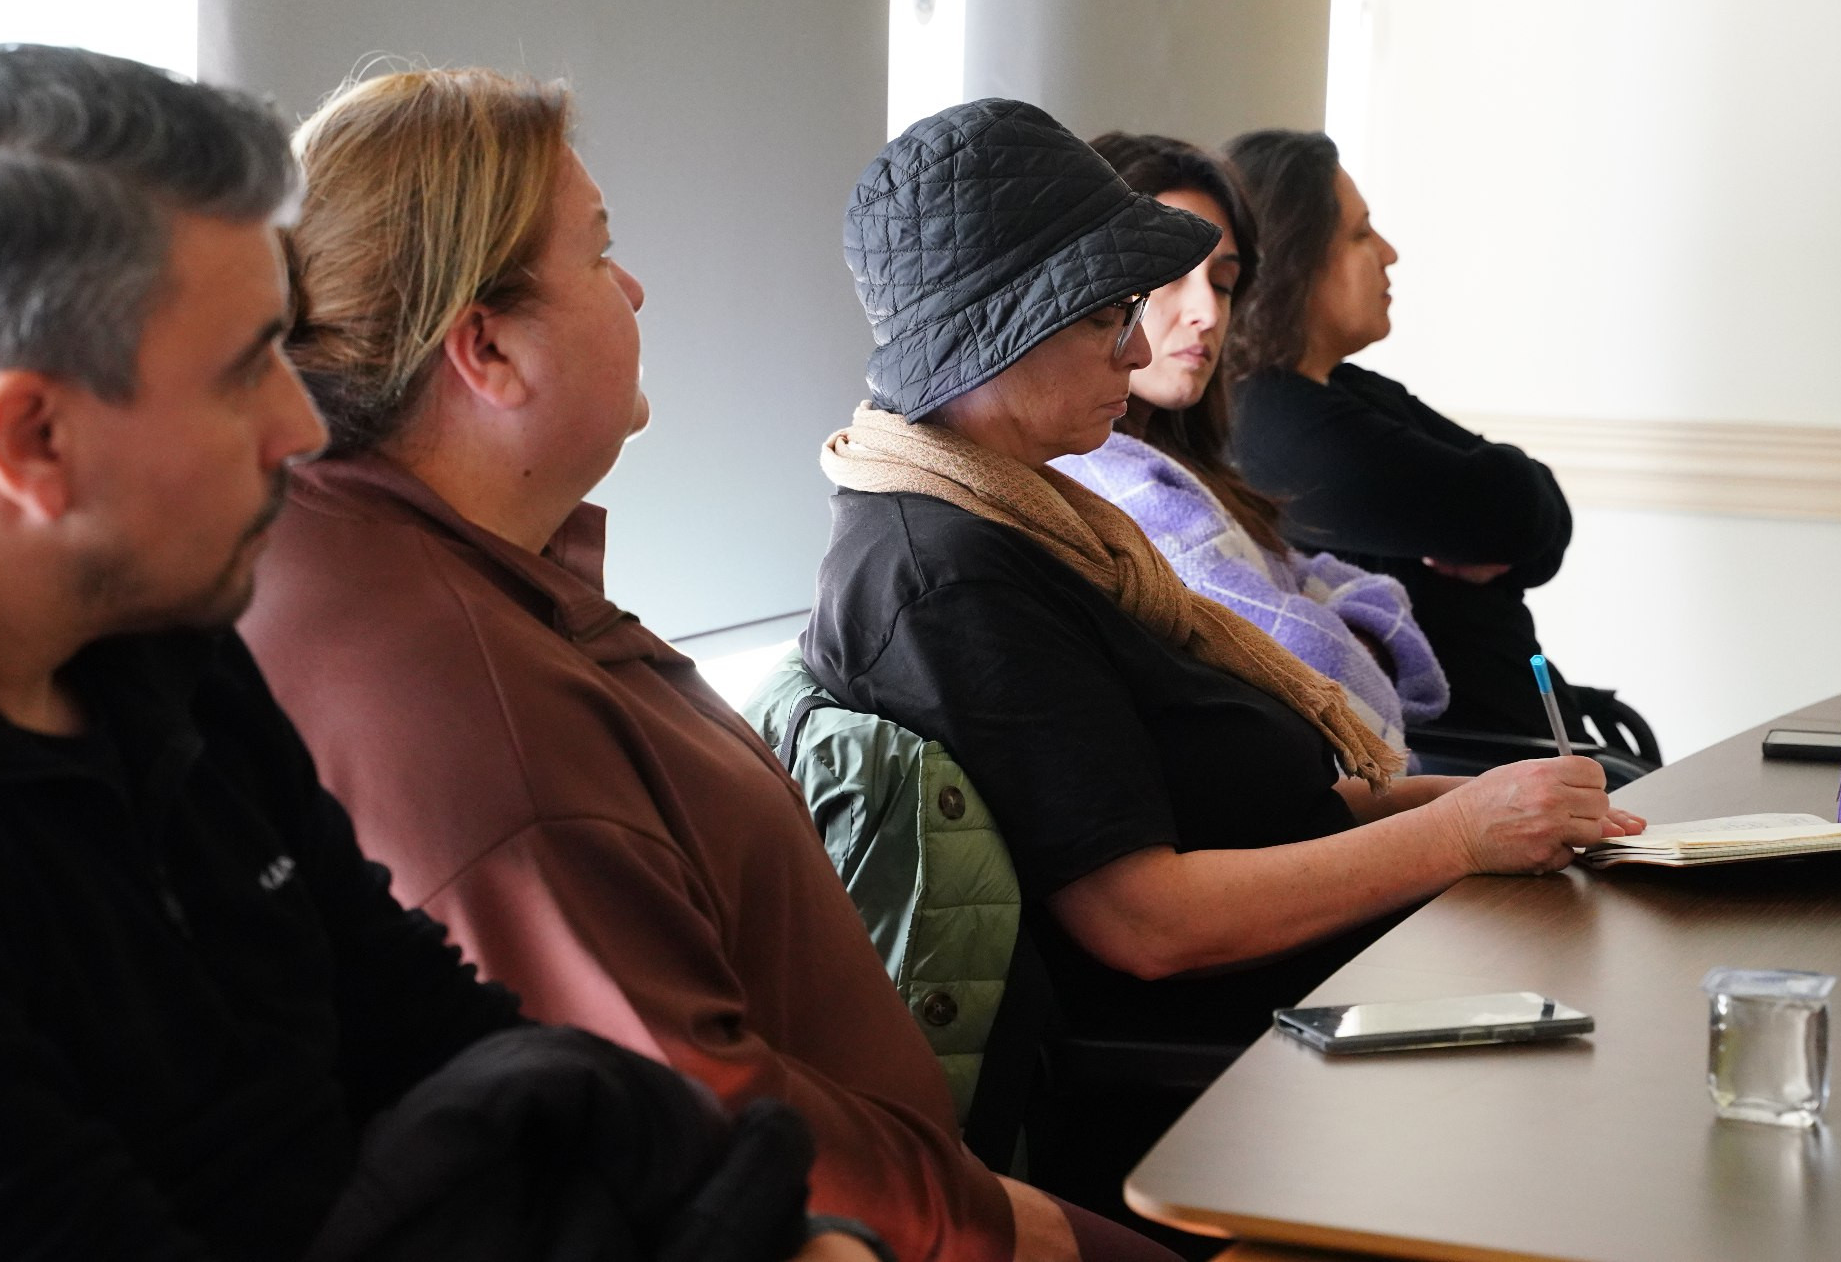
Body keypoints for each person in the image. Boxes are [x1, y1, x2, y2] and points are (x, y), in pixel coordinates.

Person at [0, 44, 860, 1262]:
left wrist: (776, 1230)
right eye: (245, 365)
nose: (297, 423)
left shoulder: (152, 633)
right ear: (33, 441)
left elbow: (441, 1029)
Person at [239, 69, 1165, 1262]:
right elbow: (691, 1109)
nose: (632, 285)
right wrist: (1007, 1224)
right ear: (487, 347)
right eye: (598, 252)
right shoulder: (463, 695)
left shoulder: (450, 578)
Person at [805, 98, 1642, 1047]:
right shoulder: (950, 577)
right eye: (1108, 315)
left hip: (1314, 985)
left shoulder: (1035, 517)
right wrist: (1459, 831)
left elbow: (1254, 808)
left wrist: (1492, 798)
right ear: (998, 332)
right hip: (1244, 1056)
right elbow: (1148, 923)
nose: (1137, 347)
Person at [1048, 133, 1447, 751]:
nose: (1207, 312)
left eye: (1223, 282)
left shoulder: (1188, 466)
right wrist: (1352, 637)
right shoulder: (1114, 481)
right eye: (1168, 275)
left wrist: (1337, 625)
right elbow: (1317, 669)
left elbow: (1331, 591)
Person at [1222, 128, 1576, 740]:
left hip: (1520, 752)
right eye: (1361, 234)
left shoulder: (1352, 391)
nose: (1389, 253)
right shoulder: (1287, 426)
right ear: (1293, 260)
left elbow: (1541, 523)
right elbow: (1518, 515)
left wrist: (1512, 511)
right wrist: (1508, 504)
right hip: (1462, 770)